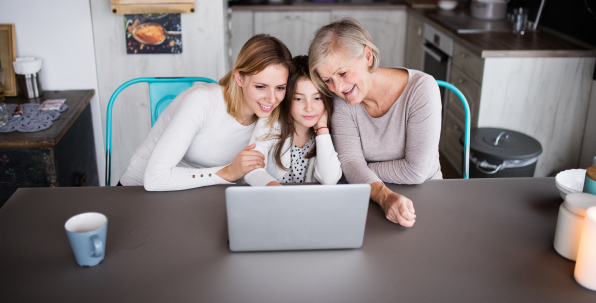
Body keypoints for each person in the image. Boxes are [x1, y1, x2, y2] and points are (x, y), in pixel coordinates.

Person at [308, 18, 442, 227]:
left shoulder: (422, 89)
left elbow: (416, 171)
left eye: (342, 73)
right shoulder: (343, 101)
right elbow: (351, 163)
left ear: (368, 56)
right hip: (371, 198)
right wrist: (383, 195)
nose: (338, 87)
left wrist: (361, 170)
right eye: (328, 80)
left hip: (425, 194)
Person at [119, 34, 293, 191]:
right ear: (239, 77)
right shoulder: (202, 100)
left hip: (197, 195)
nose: (271, 98)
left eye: (280, 88)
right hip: (137, 192)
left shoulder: (268, 114)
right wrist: (228, 172)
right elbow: (154, 178)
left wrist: (278, 191)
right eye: (260, 87)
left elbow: (256, 171)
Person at [248, 55, 342, 185]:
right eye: (298, 99)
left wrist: (322, 129)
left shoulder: (332, 129)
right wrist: (277, 191)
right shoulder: (269, 122)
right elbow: (252, 170)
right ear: (287, 99)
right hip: (274, 200)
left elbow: (330, 179)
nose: (309, 108)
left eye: (317, 98)